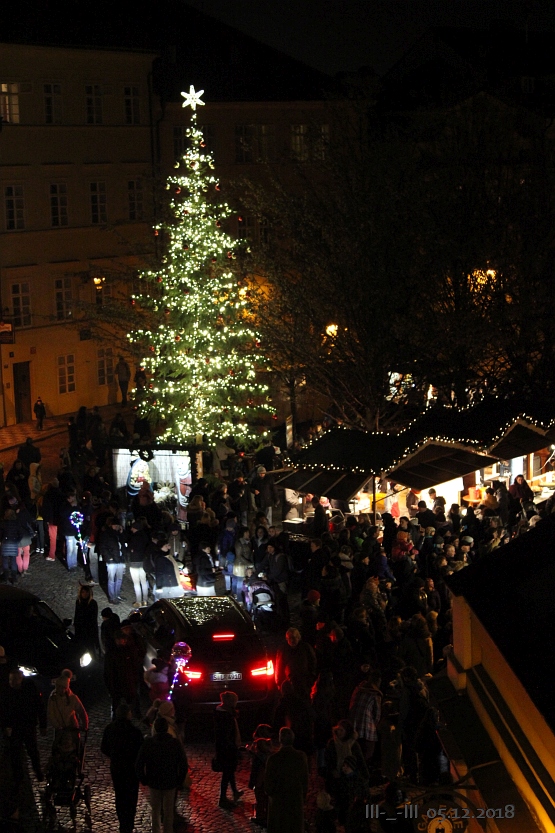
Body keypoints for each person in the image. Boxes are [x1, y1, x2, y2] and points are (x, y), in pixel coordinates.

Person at [135, 716, 188, 833]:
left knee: (155, 811)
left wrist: (144, 779)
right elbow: (183, 763)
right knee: (168, 812)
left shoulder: (148, 743)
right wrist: (179, 780)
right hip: (170, 782)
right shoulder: (174, 743)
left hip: (154, 782)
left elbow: (139, 763)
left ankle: (156, 830)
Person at [101, 702, 144, 833]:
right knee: (131, 797)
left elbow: (104, 748)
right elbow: (141, 751)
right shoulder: (135, 732)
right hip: (131, 769)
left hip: (117, 768)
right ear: (128, 715)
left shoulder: (110, 729)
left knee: (120, 796)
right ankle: (129, 824)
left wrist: (114, 756)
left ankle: (122, 823)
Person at [2, 668, 46, 783]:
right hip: (14, 727)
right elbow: (3, 710)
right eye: (10, 679)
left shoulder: (29, 690)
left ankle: (37, 771)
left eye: (14, 679)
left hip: (28, 726)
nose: (12, 682)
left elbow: (39, 706)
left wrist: (43, 725)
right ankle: (18, 776)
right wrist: (5, 726)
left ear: (20, 679)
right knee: (15, 753)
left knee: (32, 751)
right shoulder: (7, 692)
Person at [264, 726, 309, 833]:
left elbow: (268, 785)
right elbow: (305, 780)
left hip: (278, 802)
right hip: (295, 800)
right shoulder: (301, 756)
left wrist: (271, 794)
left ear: (280, 739)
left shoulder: (273, 759)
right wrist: (302, 796)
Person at [214, 690, 244, 809]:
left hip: (224, 748)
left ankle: (234, 791)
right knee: (227, 773)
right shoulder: (226, 716)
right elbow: (227, 736)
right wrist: (234, 748)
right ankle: (222, 798)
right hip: (227, 749)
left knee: (229, 772)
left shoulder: (221, 713)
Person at [47, 669, 89, 748]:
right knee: (57, 746)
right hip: (60, 729)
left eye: (62, 687)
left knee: (76, 745)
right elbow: (51, 714)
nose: (60, 689)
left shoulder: (72, 698)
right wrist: (57, 726)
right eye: (58, 687)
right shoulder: (53, 698)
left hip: (72, 727)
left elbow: (81, 711)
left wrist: (85, 725)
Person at [275, 628, 317, 699]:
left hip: (304, 681)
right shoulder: (283, 650)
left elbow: (313, 662)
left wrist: (311, 677)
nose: (292, 640)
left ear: (298, 637)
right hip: (289, 682)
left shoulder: (306, 647)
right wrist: (279, 683)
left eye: (293, 637)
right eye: (289, 638)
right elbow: (279, 667)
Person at [73, 584, 100, 656]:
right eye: (83, 592)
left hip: (89, 631)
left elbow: (94, 619)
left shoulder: (93, 603)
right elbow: (76, 615)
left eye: (86, 592)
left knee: (90, 651)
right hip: (80, 631)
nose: (85, 594)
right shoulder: (78, 602)